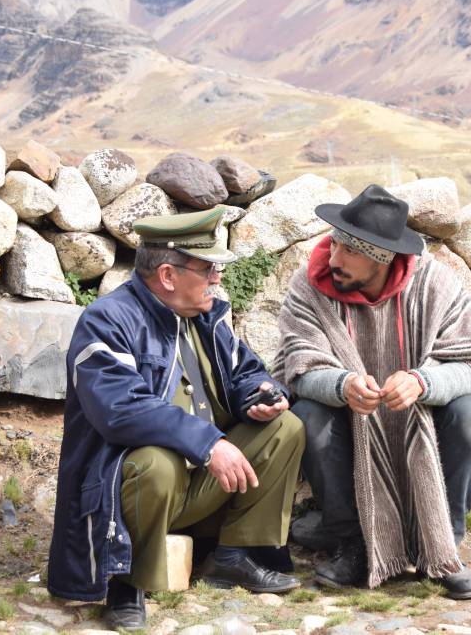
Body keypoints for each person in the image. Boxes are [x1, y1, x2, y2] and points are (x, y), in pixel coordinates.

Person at [48, 206, 305, 630]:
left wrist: (262, 396)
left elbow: (246, 372)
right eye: (208, 269)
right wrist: (209, 443)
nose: (218, 279)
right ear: (168, 276)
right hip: (138, 490)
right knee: (156, 464)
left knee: (285, 427)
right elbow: (120, 409)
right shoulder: (107, 321)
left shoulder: (207, 316)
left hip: (201, 486)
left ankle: (234, 555)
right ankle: (126, 582)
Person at [272, 184, 471, 598]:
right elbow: (298, 370)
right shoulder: (309, 285)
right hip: (348, 420)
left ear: (383, 257)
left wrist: (422, 381)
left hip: (423, 418)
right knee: (308, 413)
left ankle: (442, 548)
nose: (334, 257)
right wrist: (341, 386)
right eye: (335, 244)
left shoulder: (437, 285)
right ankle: (352, 545)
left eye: (350, 251)